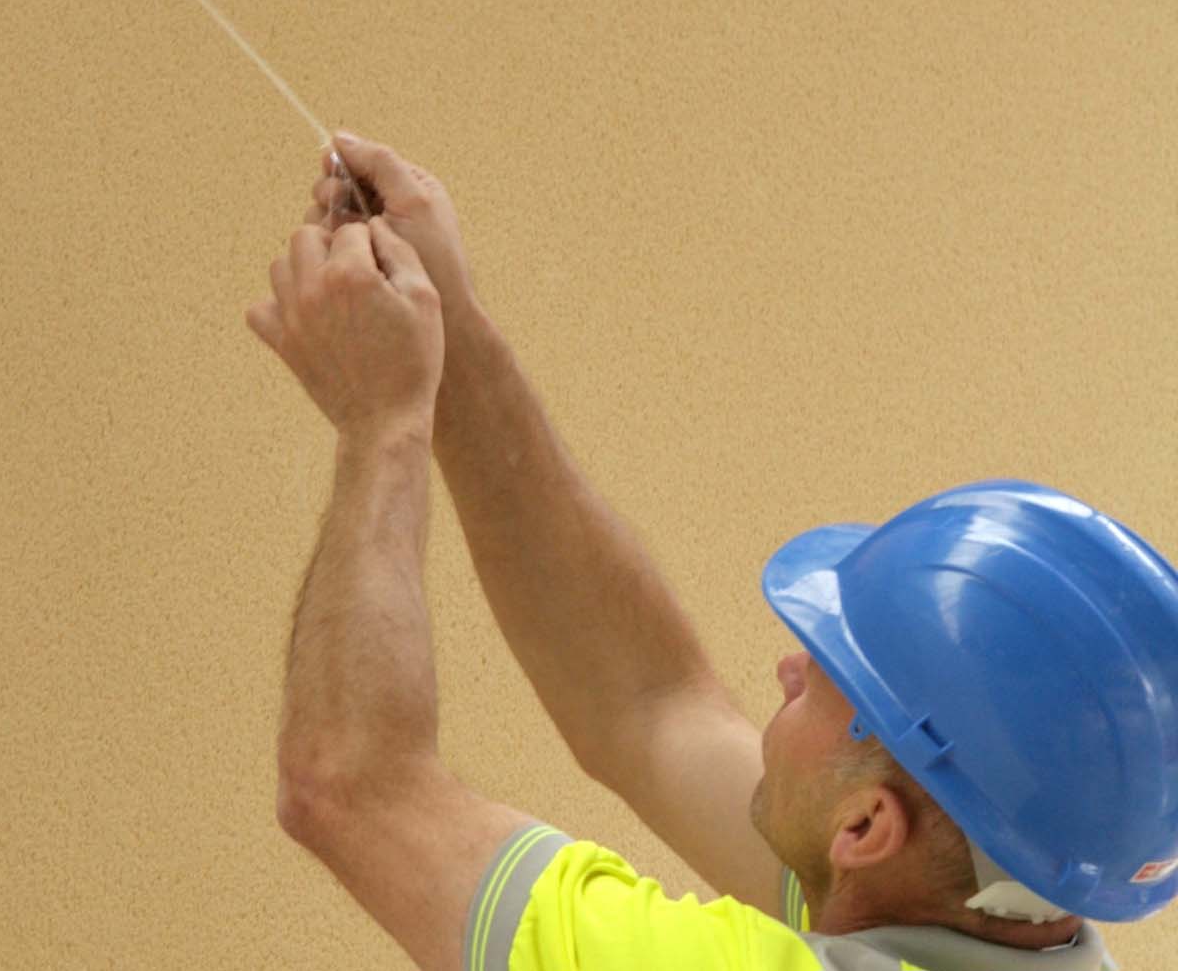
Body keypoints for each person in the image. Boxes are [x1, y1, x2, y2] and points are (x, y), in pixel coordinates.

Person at [252, 131, 1174, 971]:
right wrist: (453, 343)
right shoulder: (995, 904)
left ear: (865, 826)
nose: (786, 667)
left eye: (829, 673)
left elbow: (353, 783)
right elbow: (647, 708)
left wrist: (383, 422)